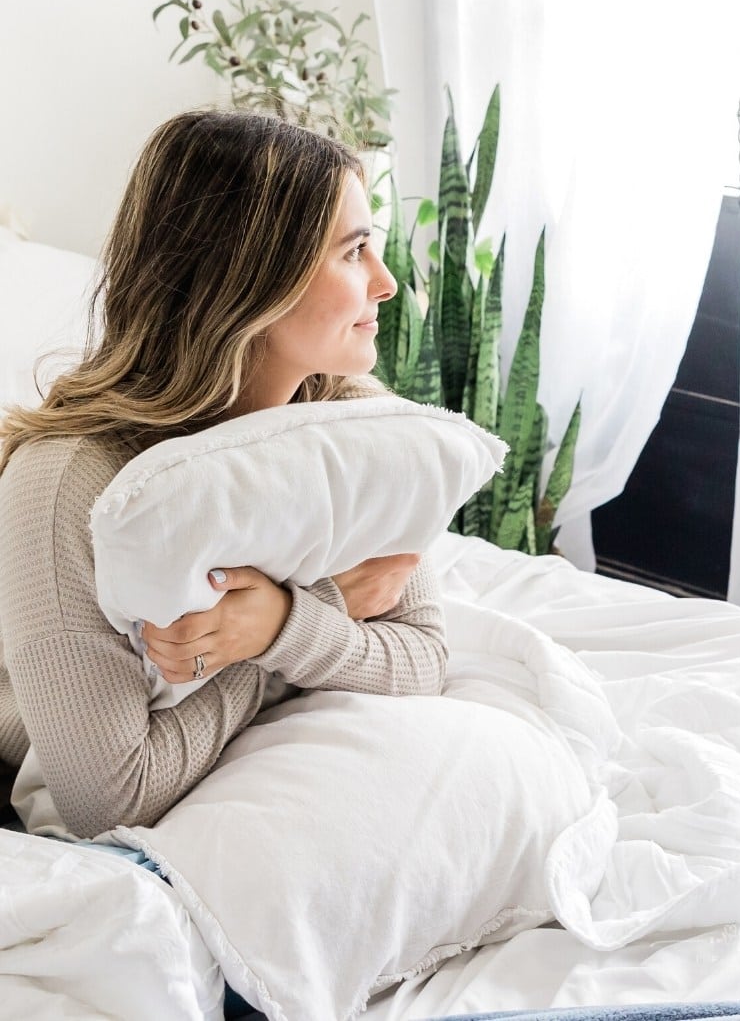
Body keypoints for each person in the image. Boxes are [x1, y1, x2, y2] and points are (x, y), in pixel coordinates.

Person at [0, 109, 448, 844]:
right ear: (253, 281)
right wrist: (280, 631)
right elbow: (110, 801)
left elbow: (424, 658)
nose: (386, 282)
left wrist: (279, 625)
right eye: (354, 252)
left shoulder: (356, 428)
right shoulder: (68, 483)